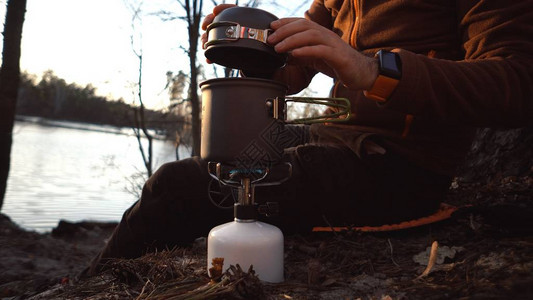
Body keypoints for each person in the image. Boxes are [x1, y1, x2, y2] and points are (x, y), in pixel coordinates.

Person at [84, 0, 533, 275]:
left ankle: (89, 285)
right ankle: (91, 278)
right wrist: (252, 41)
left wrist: (373, 69)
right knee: (209, 161)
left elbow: (516, 82)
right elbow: (294, 67)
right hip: (334, 138)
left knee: (178, 186)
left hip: (397, 166)